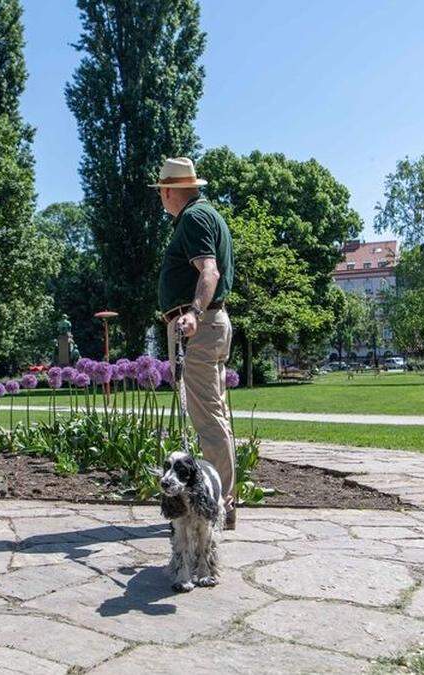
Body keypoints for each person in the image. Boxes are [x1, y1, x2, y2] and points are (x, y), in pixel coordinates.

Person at [152, 157, 238, 529]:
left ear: (170, 191)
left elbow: (210, 270)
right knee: (215, 415)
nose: (161, 200)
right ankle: (222, 503)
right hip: (208, 326)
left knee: (208, 420)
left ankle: (218, 506)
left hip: (198, 329)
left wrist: (194, 313)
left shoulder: (193, 218)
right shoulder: (205, 216)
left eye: (161, 193)